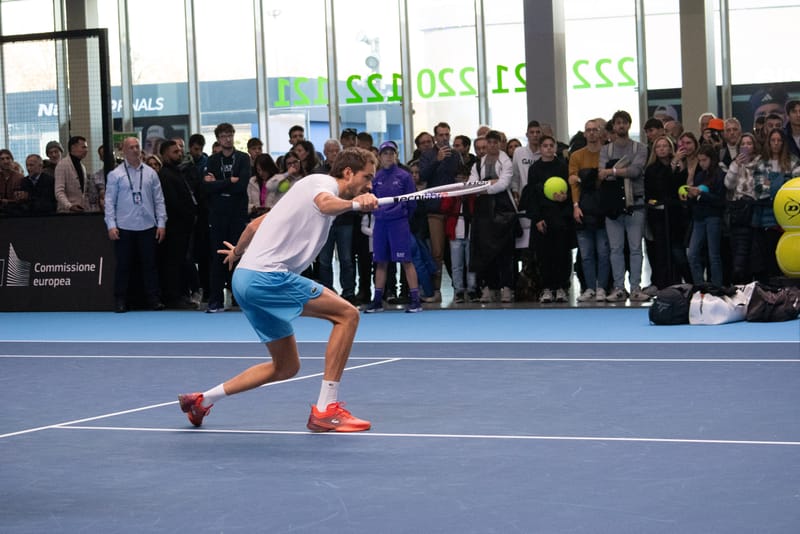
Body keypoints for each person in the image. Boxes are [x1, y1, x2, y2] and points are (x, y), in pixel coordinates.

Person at [177, 147, 379, 432]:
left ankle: (201, 400)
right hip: (267, 278)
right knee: (348, 315)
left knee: (286, 366)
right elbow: (325, 204)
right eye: (367, 177)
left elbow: (255, 225)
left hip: (245, 279)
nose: (370, 185)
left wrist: (238, 251)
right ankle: (326, 409)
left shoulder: (304, 188)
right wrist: (357, 204)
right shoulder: (323, 186)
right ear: (348, 173)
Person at [104, 137, 167, 313]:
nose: (134, 150)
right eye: (130, 147)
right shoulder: (116, 175)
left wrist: (161, 223)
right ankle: (120, 300)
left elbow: (159, 200)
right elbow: (109, 202)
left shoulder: (150, 173)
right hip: (124, 226)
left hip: (148, 225)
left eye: (137, 146)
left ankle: (154, 299)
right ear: (123, 151)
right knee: (123, 265)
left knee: (150, 265)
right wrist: (111, 225)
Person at [364, 141, 422, 313]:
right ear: (380, 157)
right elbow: (370, 200)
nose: (388, 156)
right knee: (380, 262)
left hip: (399, 224)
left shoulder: (404, 176)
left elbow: (412, 203)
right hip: (381, 224)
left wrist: (401, 215)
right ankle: (377, 301)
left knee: (406, 260)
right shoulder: (376, 177)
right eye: (385, 153)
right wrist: (379, 214)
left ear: (396, 155)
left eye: (391, 153)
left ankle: (415, 300)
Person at [598, 110, 649, 302]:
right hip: (613, 205)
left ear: (629, 125)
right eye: (618, 123)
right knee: (615, 248)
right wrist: (619, 171)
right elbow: (601, 174)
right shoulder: (606, 150)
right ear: (614, 126)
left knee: (636, 248)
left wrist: (612, 170)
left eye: (624, 123)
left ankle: (635, 287)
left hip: (635, 202)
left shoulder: (640, 148)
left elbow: (636, 171)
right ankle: (619, 287)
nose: (621, 126)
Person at [204, 123, 251, 313]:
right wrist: (228, 182)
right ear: (218, 138)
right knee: (218, 256)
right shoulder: (213, 160)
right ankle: (215, 300)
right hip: (218, 213)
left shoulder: (243, 158)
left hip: (237, 212)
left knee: (239, 254)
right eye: (223, 136)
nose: (227, 139)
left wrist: (219, 184)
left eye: (230, 135)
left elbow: (242, 185)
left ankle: (239, 299)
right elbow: (207, 187)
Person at [524, 135, 572, 303]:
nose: (549, 148)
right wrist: (537, 218)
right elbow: (531, 196)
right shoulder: (534, 169)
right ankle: (546, 288)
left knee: (561, 254)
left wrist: (564, 199)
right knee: (544, 255)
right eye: (545, 146)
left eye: (552, 145)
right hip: (542, 219)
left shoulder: (562, 166)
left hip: (560, 217)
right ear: (540, 148)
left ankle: (561, 288)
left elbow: (570, 192)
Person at [469, 130, 515, 303]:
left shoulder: (506, 161)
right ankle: (488, 287)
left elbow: (504, 183)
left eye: (496, 142)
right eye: (490, 142)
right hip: (482, 211)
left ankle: (506, 288)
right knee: (483, 252)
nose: (492, 145)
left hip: (503, 210)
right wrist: (489, 183)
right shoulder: (477, 164)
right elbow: (472, 184)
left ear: (500, 144)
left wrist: (485, 188)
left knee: (504, 251)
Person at [419, 121, 462, 303]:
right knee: (436, 252)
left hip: (453, 209)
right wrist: (437, 161)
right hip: (435, 209)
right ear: (435, 137)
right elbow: (423, 176)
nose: (445, 138)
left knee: (456, 251)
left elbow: (459, 175)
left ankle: (459, 289)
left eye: (447, 135)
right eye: (441, 135)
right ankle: (436, 290)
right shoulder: (428, 155)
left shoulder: (456, 155)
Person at [751, 128, 800, 281]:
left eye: (779, 140)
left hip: (790, 219)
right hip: (768, 220)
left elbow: (795, 191)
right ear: (769, 142)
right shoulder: (761, 163)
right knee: (770, 261)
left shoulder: (793, 161)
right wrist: (783, 181)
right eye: (773, 140)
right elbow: (759, 192)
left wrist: (771, 183)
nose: (776, 143)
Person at [568, 120, 609, 302]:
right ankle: (590, 287)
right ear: (584, 134)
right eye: (588, 130)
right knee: (586, 254)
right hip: (584, 208)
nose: (592, 133)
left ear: (600, 133)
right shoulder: (576, 156)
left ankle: (602, 287)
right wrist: (576, 206)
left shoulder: (607, 152)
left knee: (603, 252)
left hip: (603, 208)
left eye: (595, 130)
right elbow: (573, 184)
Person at [644, 135, 691, 290]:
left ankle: (686, 281)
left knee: (678, 251)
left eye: (665, 146)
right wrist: (673, 163)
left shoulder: (680, 166)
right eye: (658, 146)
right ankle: (662, 284)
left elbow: (679, 185)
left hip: (676, 215)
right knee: (661, 251)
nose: (662, 149)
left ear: (670, 148)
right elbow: (661, 184)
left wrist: (677, 166)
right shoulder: (651, 169)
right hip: (659, 216)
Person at [158, 140, 199, 309]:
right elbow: (173, 203)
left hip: (184, 227)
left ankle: (182, 294)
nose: (179, 154)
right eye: (175, 152)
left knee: (182, 261)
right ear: (165, 154)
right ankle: (174, 297)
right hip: (175, 227)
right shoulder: (165, 175)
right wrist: (188, 215)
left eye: (180, 151)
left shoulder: (178, 172)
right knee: (174, 262)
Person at [686, 144, 726, 288]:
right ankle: (699, 286)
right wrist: (690, 196)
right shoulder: (700, 175)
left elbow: (721, 200)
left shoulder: (720, 175)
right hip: (699, 218)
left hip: (713, 217)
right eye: (700, 161)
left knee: (713, 255)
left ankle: (717, 287)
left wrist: (701, 195)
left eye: (704, 160)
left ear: (711, 159)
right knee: (692, 254)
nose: (702, 163)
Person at [723, 132, 759, 284]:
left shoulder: (761, 163)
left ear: (754, 146)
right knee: (739, 258)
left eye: (749, 143)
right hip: (739, 214)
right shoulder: (734, 164)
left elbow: (762, 187)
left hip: (756, 213)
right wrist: (736, 166)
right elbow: (728, 184)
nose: (746, 146)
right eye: (743, 144)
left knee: (755, 258)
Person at [54, 136, 98, 213]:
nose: (86, 150)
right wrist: (69, 206)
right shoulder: (62, 165)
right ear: (73, 148)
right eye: (83, 147)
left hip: (80, 211)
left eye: (86, 148)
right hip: (66, 212)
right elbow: (59, 191)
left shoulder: (82, 166)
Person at [248, 153, 279, 218]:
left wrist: (269, 209)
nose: (261, 173)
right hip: (256, 218)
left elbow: (281, 203)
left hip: (273, 217)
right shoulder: (252, 181)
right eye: (259, 170)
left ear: (270, 168)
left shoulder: (278, 180)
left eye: (264, 170)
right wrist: (253, 208)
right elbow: (247, 202)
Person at [0, 149, 25, 213]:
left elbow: (21, 199)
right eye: (2, 159)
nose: (5, 161)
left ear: (12, 160)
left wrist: (8, 201)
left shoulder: (20, 177)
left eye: (8, 158)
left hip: (15, 212)